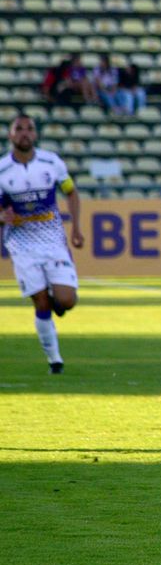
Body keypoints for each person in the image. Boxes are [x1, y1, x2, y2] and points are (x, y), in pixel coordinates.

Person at [0, 115, 85, 374]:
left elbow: (70, 191)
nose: (25, 133)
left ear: (35, 135)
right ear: (11, 135)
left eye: (29, 129)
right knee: (40, 302)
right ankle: (55, 361)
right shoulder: (2, 169)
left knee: (67, 300)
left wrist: (77, 228)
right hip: (21, 243)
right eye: (19, 129)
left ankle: (55, 300)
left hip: (52, 240)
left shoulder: (52, 162)